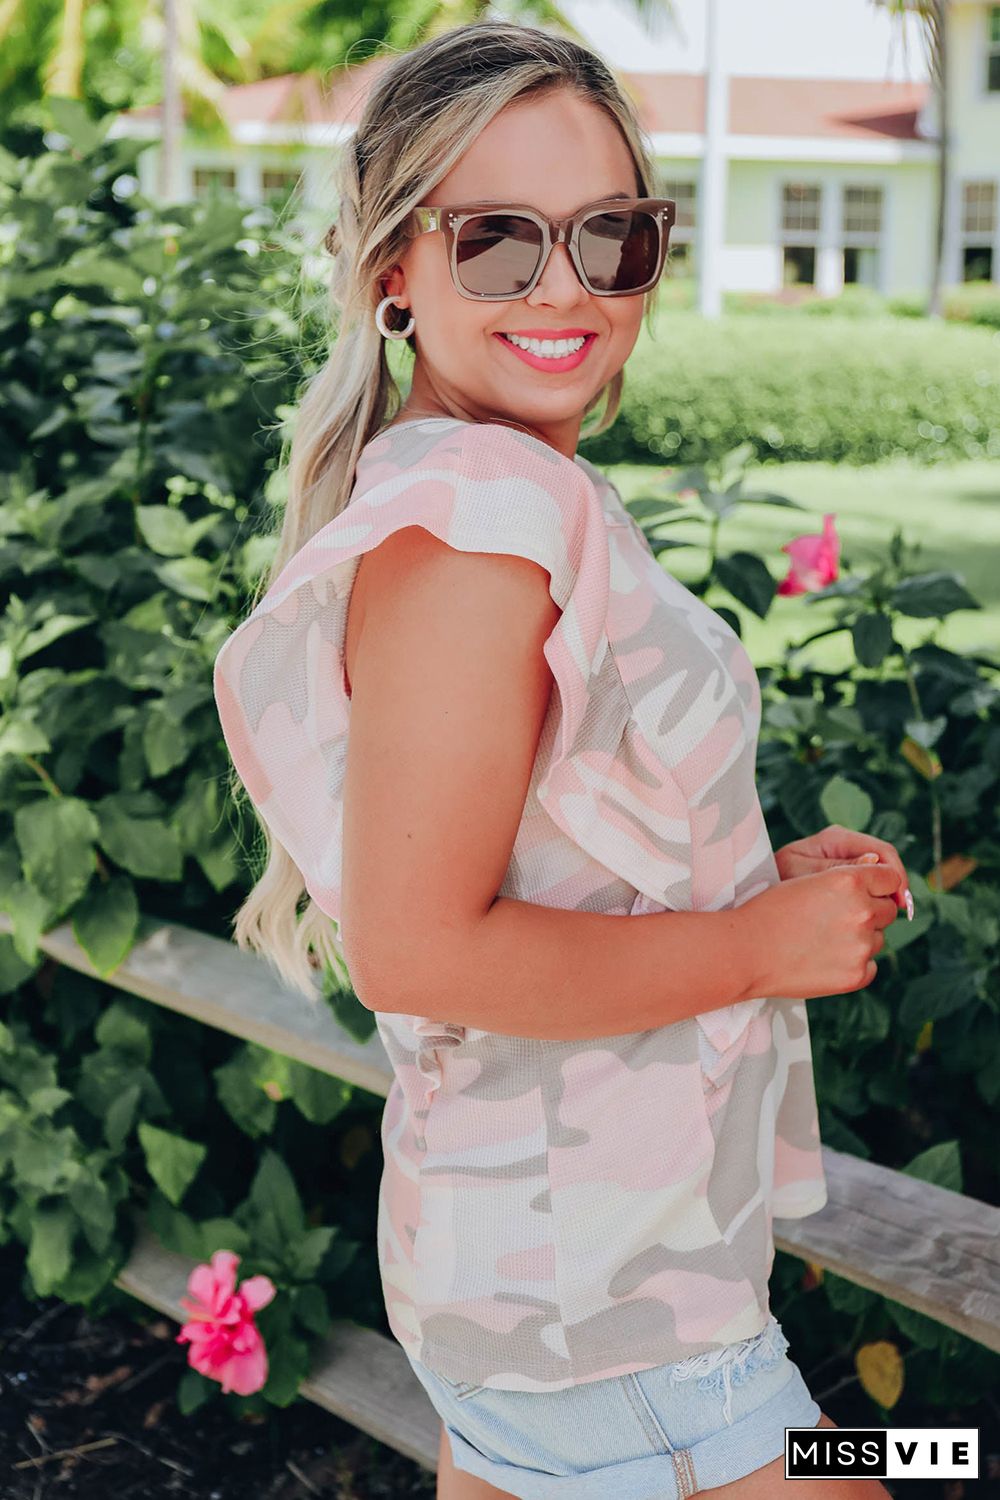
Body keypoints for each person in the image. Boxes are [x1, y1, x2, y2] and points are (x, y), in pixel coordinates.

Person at [213, 19, 910, 1500]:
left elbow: (530, 844)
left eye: (613, 237)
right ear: (394, 265)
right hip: (620, 1326)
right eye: (498, 242)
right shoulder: (478, 526)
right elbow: (420, 949)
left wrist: (747, 885)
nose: (566, 290)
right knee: (918, 1458)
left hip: (559, 1290)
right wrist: (751, 946)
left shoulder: (489, 491)